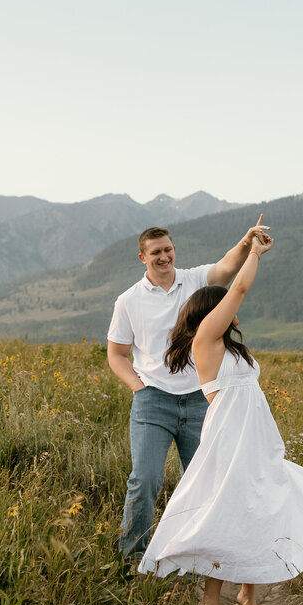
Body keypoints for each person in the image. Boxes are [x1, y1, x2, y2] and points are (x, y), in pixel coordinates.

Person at [138, 229, 303, 605]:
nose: (232, 308)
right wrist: (254, 252)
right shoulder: (205, 340)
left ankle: (248, 598)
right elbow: (237, 286)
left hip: (254, 437)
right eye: (223, 305)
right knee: (228, 515)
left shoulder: (232, 347)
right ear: (212, 311)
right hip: (229, 439)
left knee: (260, 507)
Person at [108, 216, 271, 560]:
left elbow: (227, 270)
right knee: (145, 479)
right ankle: (133, 557)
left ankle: (195, 553)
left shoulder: (194, 280)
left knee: (202, 480)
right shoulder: (128, 301)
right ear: (143, 258)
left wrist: (246, 243)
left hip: (200, 399)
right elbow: (117, 354)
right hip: (153, 400)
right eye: (156, 252)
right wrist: (139, 388)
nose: (164, 256)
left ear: (174, 250)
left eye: (168, 249)